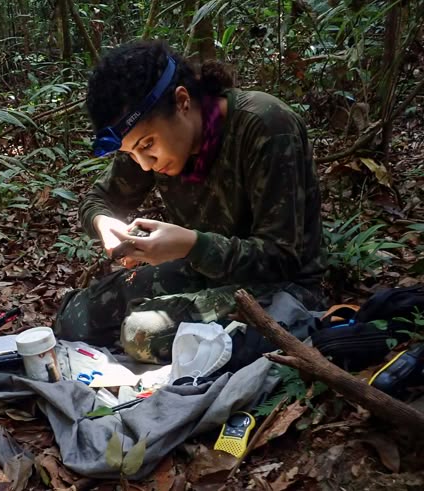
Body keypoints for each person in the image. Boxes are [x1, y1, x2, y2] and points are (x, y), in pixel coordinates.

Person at [53, 40, 326, 364]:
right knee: (74, 319)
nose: (144, 164)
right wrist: (104, 222)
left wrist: (191, 246)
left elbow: (281, 258)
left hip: (282, 287)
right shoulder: (146, 136)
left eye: (147, 146)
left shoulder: (266, 125)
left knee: (142, 334)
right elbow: (98, 200)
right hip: (205, 269)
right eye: (131, 153)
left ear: (182, 101)